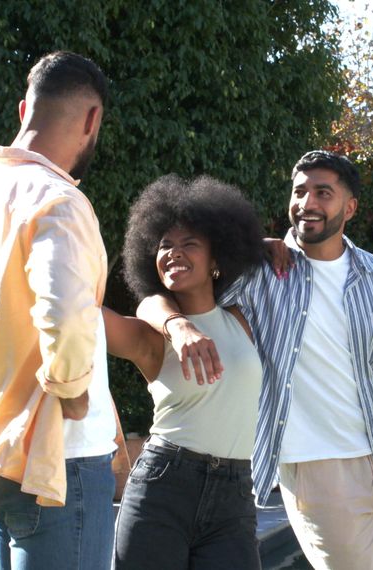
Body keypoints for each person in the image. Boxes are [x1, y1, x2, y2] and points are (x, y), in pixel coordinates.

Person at [137, 150, 373, 570]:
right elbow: (159, 295)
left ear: (350, 207)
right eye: (299, 192)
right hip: (313, 467)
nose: (307, 203)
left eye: (323, 193)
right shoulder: (257, 273)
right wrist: (178, 325)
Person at [0, 51, 117, 569]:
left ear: (23, 110)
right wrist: (71, 389)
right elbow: (66, 314)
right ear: (92, 120)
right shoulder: (59, 200)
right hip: (57, 456)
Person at [103, 175, 266, 569]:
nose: (174, 252)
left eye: (189, 243)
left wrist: (275, 246)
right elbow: (83, 316)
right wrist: (177, 326)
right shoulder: (152, 336)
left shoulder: (241, 319)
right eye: (165, 245)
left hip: (234, 493)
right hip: (163, 486)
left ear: (217, 260)